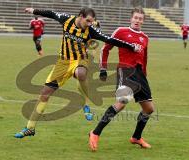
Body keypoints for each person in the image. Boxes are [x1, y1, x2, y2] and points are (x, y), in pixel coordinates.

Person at [14, 7, 141, 138]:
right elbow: (51, 13)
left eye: (91, 22)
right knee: (45, 94)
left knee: (80, 73)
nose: (89, 24)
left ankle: (85, 102)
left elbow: (109, 39)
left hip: (81, 59)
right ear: (80, 16)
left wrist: (131, 46)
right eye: (88, 21)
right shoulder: (66, 20)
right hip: (63, 62)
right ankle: (30, 128)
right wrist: (34, 10)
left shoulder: (90, 30)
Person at [89, 8, 154, 151]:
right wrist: (103, 69)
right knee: (122, 101)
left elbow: (145, 57)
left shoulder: (145, 37)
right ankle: (95, 133)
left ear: (143, 21)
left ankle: (136, 137)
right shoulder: (121, 31)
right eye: (136, 18)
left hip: (139, 74)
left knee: (149, 109)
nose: (138, 20)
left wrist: (144, 73)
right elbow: (105, 49)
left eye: (140, 19)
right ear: (131, 19)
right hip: (125, 70)